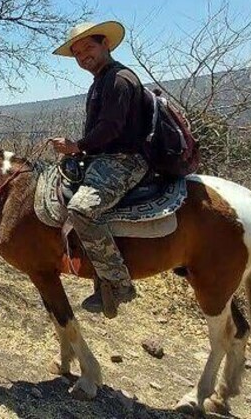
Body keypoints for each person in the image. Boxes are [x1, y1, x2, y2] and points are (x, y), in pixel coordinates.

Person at [48, 20, 149, 318]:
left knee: (81, 209)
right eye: (77, 53)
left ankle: (119, 284)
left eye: (88, 48)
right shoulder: (101, 81)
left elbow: (110, 128)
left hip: (125, 161)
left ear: (106, 44)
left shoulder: (119, 79)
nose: (83, 57)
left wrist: (77, 146)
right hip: (103, 158)